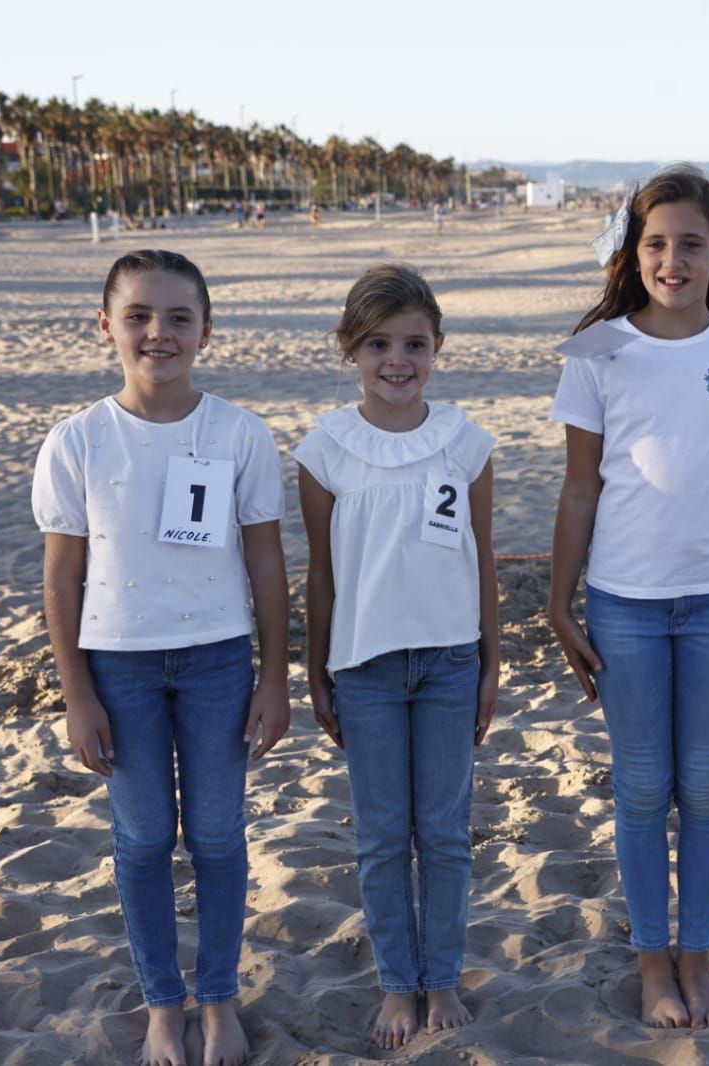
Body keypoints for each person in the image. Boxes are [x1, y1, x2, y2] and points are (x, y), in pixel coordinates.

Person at [548, 165, 709, 1029]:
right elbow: (580, 490)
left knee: (706, 785)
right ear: (632, 251)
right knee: (644, 786)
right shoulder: (599, 351)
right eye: (655, 243)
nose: (672, 259)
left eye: (691, 243)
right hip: (625, 604)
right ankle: (654, 967)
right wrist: (557, 602)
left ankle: (698, 960)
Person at [32, 249, 290, 1066]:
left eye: (178, 317)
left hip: (218, 664)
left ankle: (217, 1000)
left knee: (217, 836)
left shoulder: (238, 432)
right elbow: (63, 576)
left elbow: (265, 563)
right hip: (119, 669)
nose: (158, 332)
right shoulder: (76, 442)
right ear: (105, 326)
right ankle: (161, 1003)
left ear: (206, 330)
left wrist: (274, 675)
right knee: (143, 840)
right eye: (139, 315)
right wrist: (78, 694)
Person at [296, 264, 498, 1050]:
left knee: (444, 833)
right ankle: (394, 985)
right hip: (365, 669)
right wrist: (315, 672)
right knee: (383, 835)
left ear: (437, 347)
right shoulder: (323, 451)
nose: (397, 360)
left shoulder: (465, 443)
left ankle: (440, 977)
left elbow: (480, 558)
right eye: (378, 343)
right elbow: (320, 571)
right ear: (350, 348)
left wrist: (490, 664)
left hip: (449, 662)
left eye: (414, 343)